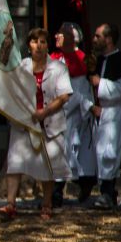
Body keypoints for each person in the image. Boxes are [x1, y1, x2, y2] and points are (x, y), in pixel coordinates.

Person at [0, 28, 72, 220]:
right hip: (25, 122)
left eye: (42, 42)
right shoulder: (22, 66)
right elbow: (6, 77)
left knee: (48, 167)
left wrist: (45, 112)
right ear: (29, 45)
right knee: (15, 163)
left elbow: (64, 95)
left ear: (47, 45)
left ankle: (47, 205)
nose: (39, 46)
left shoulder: (58, 67)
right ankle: (10, 205)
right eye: (34, 42)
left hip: (49, 122)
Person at [49, 22, 95, 205]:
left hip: (73, 117)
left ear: (71, 38)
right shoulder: (53, 58)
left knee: (72, 154)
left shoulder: (82, 60)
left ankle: (73, 187)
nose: (56, 36)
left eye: (60, 34)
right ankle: (56, 191)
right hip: (55, 115)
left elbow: (78, 92)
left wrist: (59, 105)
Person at [84, 23, 121, 209]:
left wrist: (101, 83)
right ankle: (105, 192)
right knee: (98, 153)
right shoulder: (97, 62)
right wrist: (91, 106)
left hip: (114, 112)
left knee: (110, 153)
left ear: (108, 39)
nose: (94, 39)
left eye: (98, 36)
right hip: (97, 113)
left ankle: (108, 193)